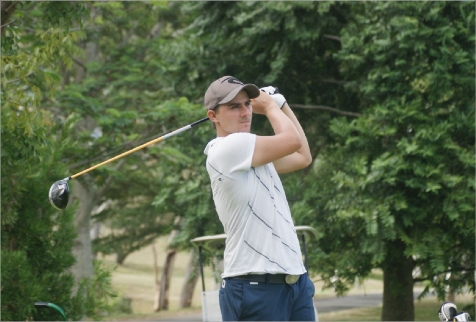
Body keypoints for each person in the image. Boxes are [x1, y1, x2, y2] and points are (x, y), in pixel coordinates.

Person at [203, 76, 315, 321]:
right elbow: (292, 140)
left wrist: (282, 104)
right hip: (253, 286)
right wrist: (272, 107)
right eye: (234, 106)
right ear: (213, 116)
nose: (245, 112)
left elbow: (302, 156)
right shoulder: (226, 149)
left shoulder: (253, 153)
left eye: (247, 104)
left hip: (294, 281)